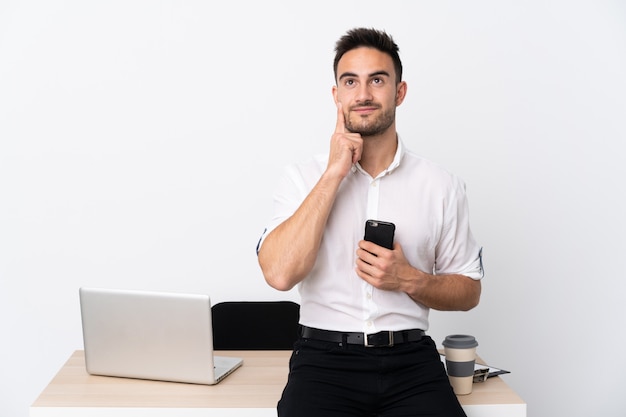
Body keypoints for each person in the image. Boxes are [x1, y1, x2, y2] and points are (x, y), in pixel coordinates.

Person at [257, 27, 484, 417]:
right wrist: (332, 175)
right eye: (351, 82)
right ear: (337, 96)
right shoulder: (301, 177)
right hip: (323, 362)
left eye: (377, 80)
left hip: (412, 362)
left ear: (399, 92)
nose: (363, 94)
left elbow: (468, 291)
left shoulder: (442, 185)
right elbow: (279, 274)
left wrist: (409, 279)